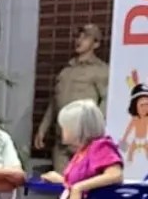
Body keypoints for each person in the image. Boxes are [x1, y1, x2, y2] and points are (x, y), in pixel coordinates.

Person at [36, 23, 109, 171]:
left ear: (96, 44)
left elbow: (107, 101)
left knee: (84, 185)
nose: (79, 40)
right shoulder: (66, 70)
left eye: (86, 37)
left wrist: (93, 130)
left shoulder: (101, 71)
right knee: (61, 185)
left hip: (85, 140)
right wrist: (42, 129)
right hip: (61, 139)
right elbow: (54, 102)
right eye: (78, 36)